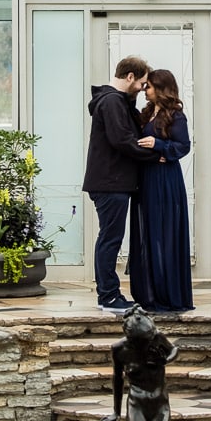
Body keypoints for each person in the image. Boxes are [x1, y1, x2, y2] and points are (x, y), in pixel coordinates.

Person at [83, 55, 156, 314]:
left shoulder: (117, 101)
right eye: (142, 83)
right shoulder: (113, 102)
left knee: (110, 237)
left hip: (112, 181)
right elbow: (123, 141)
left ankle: (109, 294)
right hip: (110, 182)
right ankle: (108, 296)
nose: (143, 89)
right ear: (130, 77)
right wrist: (156, 154)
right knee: (110, 239)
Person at [128, 68, 193, 314]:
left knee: (165, 234)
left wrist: (160, 146)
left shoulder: (176, 115)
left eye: (150, 86)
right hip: (146, 180)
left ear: (161, 88)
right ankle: (148, 292)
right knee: (148, 232)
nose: (146, 90)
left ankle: (169, 293)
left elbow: (183, 146)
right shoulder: (145, 113)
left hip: (166, 182)